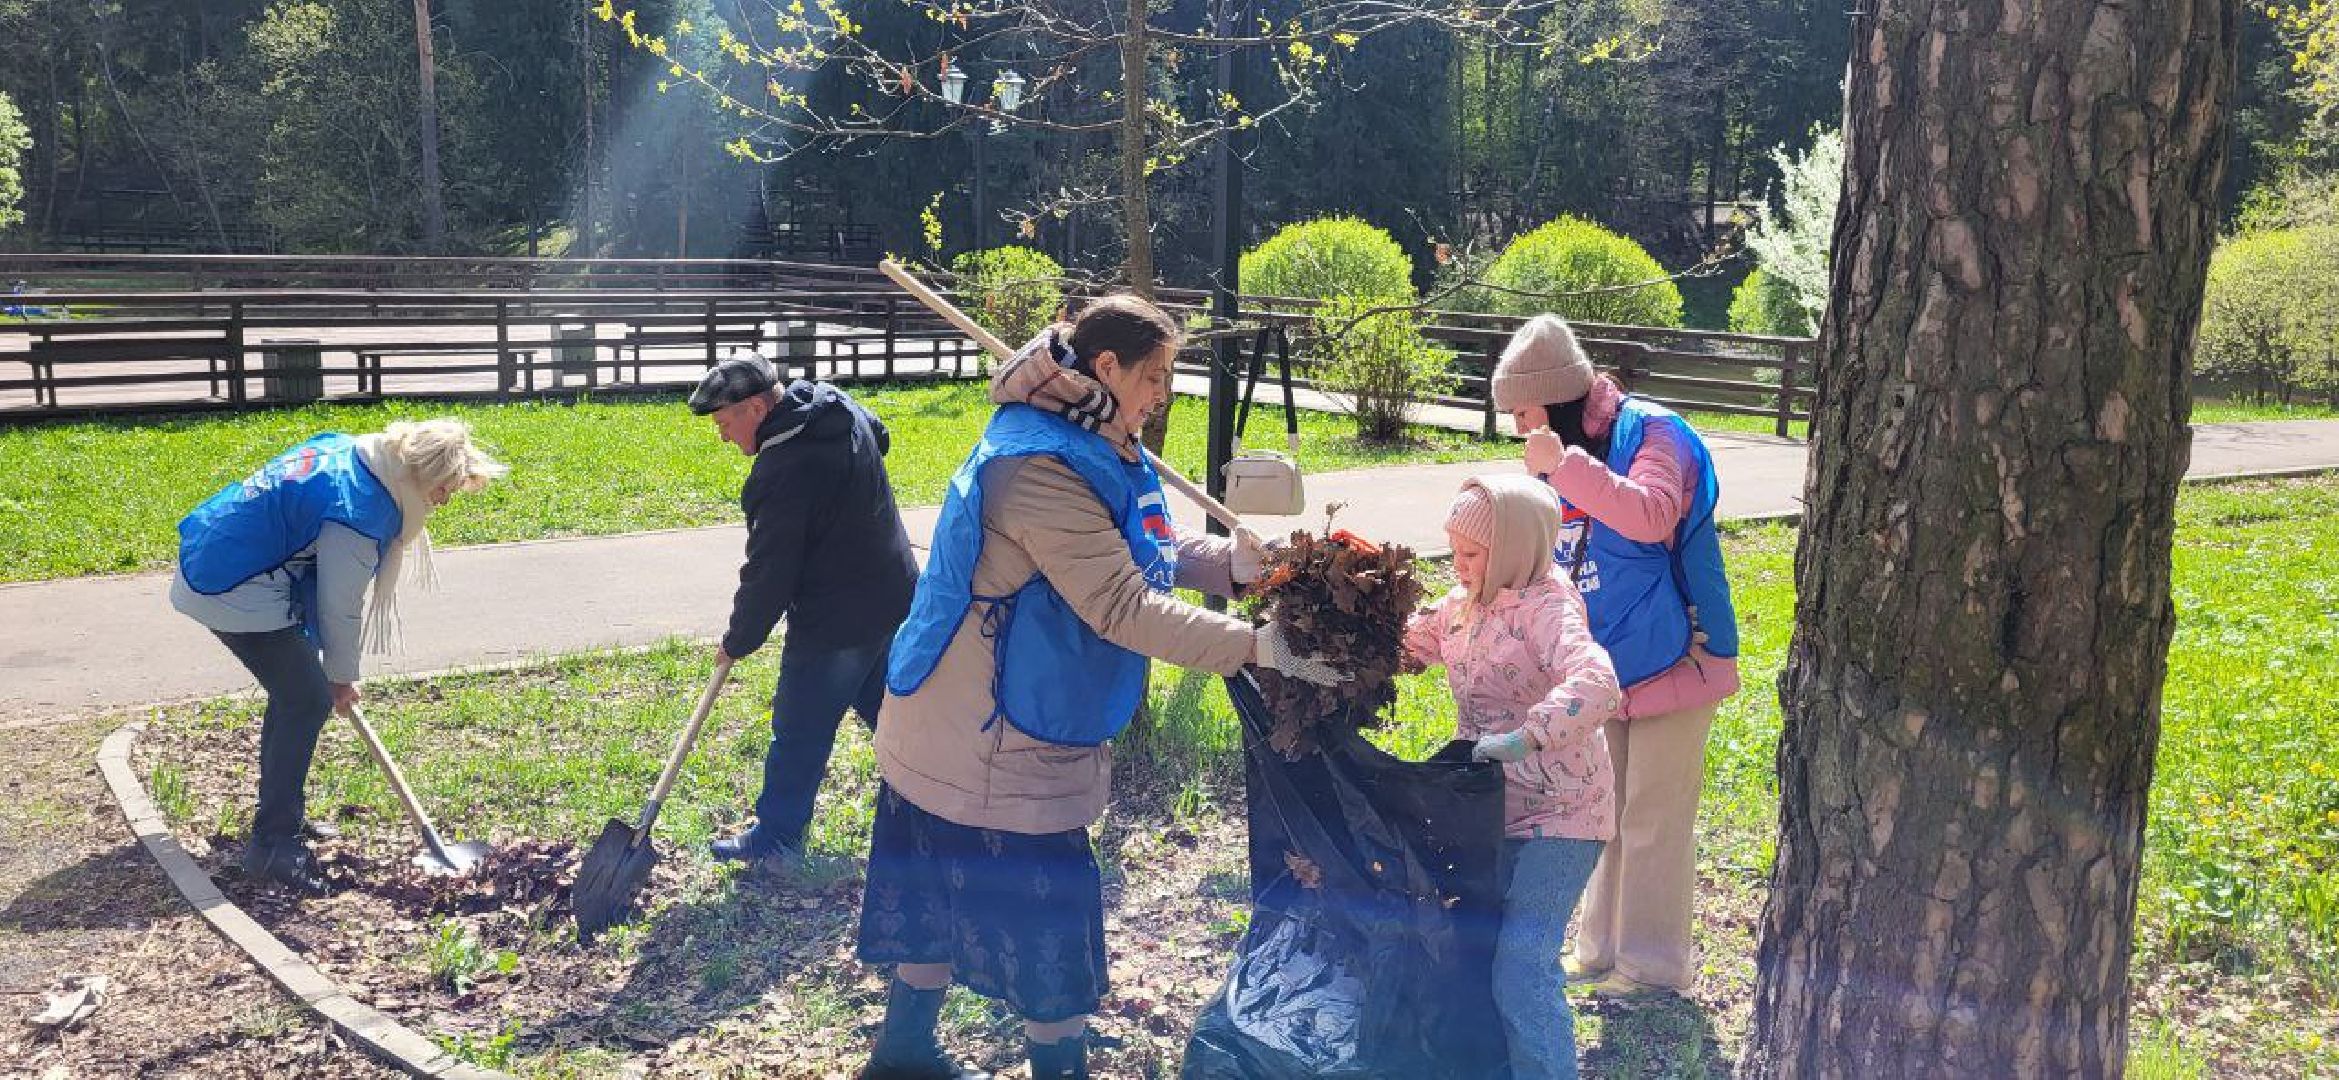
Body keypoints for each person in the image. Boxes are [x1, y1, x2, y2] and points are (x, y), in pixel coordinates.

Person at [852, 295, 1342, 1080]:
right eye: (1154, 375)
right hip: (981, 733)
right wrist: (1258, 648)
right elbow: (1120, 604)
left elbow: (1141, 547)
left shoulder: (1091, 437)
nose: (1163, 393)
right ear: (1106, 367)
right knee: (1043, 932)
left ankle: (902, 1054)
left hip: (992, 716)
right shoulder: (1038, 467)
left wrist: (1233, 566)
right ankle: (1016, 1064)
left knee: (940, 900)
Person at [1490, 313, 1742, 997]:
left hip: (1681, 655)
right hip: (1611, 662)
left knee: (1653, 818)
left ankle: (1652, 967)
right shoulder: (1570, 451)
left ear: (1556, 399)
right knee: (1606, 811)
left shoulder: (1654, 433)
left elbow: (1650, 516)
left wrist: (1562, 467)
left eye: (1523, 412)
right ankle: (1599, 951)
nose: (1518, 428)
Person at [171, 418, 507, 893]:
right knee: (305, 699)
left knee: (294, 694)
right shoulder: (360, 510)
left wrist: (329, 670)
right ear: (421, 474)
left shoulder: (363, 456)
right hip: (232, 585)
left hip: (224, 558)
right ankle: (273, 845)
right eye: (443, 490)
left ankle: (283, 815)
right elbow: (339, 605)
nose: (443, 502)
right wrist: (341, 677)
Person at [1402, 475, 1621, 1080]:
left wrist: (1528, 736)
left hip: (1564, 810)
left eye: (1472, 554)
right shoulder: (1462, 606)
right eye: (1454, 550)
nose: (1459, 565)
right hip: (1489, 804)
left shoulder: (1550, 610)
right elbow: (1408, 643)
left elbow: (1599, 683)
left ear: (1512, 551)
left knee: (1523, 962)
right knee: (1475, 949)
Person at [689, 351, 920, 878]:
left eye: (724, 423)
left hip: (836, 620)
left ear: (755, 408)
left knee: (799, 731)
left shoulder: (783, 471)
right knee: (894, 716)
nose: (723, 437)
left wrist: (738, 640)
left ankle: (776, 839)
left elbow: (770, 572)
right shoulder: (830, 403)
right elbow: (880, 436)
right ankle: (939, 808)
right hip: (895, 596)